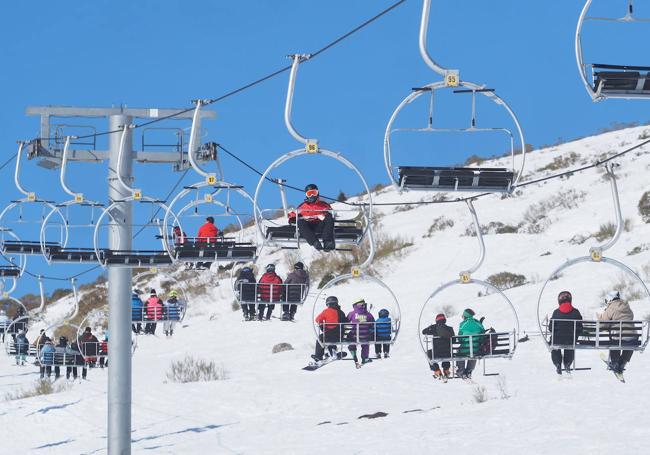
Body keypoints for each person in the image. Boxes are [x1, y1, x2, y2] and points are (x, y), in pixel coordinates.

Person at [288, 184, 335, 252]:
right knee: (300, 221)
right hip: (309, 227)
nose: (312, 195)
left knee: (329, 218)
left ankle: (327, 242)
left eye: (314, 193)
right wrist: (292, 218)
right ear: (306, 195)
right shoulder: (303, 206)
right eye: (309, 193)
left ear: (317, 193)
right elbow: (293, 214)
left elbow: (331, 213)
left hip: (320, 225)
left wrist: (326, 214)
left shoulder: (323, 205)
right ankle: (315, 242)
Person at [598, 290, 635, 375]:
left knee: (615, 339)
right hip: (633, 337)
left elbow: (603, 325)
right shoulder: (627, 306)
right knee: (629, 341)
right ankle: (622, 363)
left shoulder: (611, 307)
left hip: (618, 337)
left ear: (610, 300)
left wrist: (600, 317)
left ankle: (615, 362)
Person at [549, 291, 583, 375]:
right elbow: (580, 328)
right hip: (571, 340)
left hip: (557, 339)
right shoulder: (576, 312)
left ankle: (557, 363)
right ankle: (567, 363)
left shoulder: (556, 312)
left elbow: (551, 328)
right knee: (570, 344)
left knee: (554, 345)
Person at [313, 296, 349, 362]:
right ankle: (332, 352)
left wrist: (322, 327)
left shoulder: (326, 311)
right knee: (330, 335)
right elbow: (346, 322)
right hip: (340, 337)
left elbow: (317, 319)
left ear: (328, 304)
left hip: (329, 337)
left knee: (321, 338)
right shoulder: (341, 312)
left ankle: (318, 356)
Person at [422, 313, 455, 379]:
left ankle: (436, 370)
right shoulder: (449, 329)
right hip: (448, 353)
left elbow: (423, 331)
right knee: (446, 350)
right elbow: (454, 340)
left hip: (436, 353)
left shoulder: (433, 328)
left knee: (428, 353)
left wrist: (430, 327)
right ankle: (446, 369)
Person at [456, 309, 485, 379]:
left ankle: (461, 371)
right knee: (474, 352)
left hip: (464, 349)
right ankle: (469, 371)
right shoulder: (478, 323)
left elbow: (459, 338)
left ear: (465, 316)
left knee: (459, 352)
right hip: (476, 349)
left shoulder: (462, 324)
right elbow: (482, 336)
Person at [347, 299, 376, 365]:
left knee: (351, 338)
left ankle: (353, 351)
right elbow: (373, 324)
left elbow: (346, 321)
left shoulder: (352, 313)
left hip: (355, 336)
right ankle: (365, 357)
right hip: (365, 336)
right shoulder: (368, 314)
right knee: (365, 343)